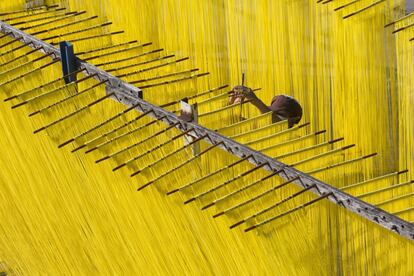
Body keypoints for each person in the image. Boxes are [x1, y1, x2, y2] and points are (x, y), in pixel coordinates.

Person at [228, 85, 302, 128]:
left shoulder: (294, 139)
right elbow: (230, 120)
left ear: (292, 121)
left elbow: (277, 123)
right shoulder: (261, 129)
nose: (269, 120)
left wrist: (255, 100)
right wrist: (232, 105)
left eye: (277, 116)